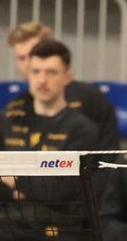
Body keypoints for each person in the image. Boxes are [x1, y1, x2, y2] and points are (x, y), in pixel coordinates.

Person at [0, 39, 101, 241]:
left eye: (51, 72)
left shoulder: (83, 130)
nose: (42, 79)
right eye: (36, 71)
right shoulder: (5, 121)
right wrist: (35, 185)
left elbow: (60, 189)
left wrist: (13, 179)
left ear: (67, 77)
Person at [6, 21, 117, 150]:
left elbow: (109, 153)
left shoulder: (91, 98)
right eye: (21, 58)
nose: (28, 63)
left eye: (35, 53)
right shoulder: (14, 108)